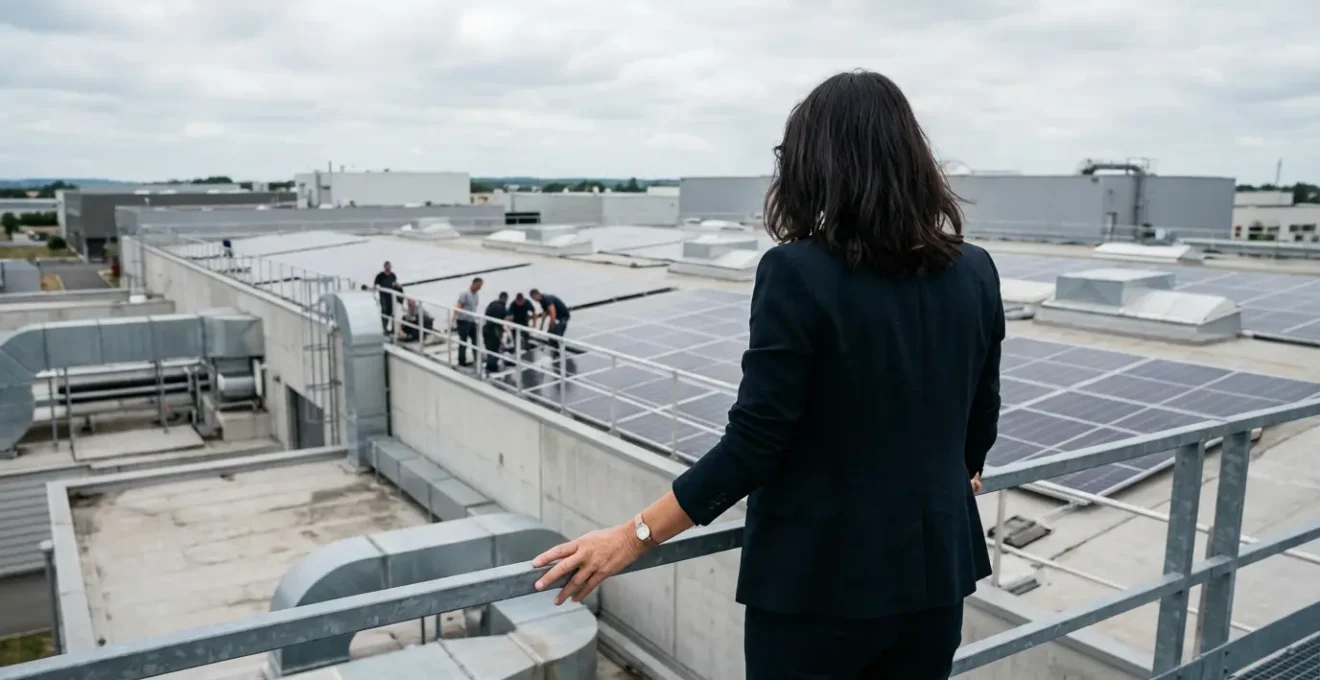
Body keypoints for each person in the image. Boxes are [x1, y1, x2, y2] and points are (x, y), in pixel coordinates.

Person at [530, 70, 1002, 680]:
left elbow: (756, 443)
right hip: (935, 577)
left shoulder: (796, 272)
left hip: (818, 590)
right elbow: (979, 417)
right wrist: (952, 473)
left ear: (813, 165)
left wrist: (635, 534)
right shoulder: (976, 270)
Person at [452, 277, 483, 367]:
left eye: (480, 286)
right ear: (473, 284)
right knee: (463, 341)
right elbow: (458, 305)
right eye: (478, 286)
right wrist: (454, 317)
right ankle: (462, 361)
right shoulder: (465, 294)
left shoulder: (476, 294)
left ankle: (477, 359)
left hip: (472, 320)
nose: (479, 288)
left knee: (475, 340)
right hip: (463, 321)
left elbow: (474, 306)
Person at [482, 292, 511, 374]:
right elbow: (507, 320)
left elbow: (486, 314)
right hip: (495, 330)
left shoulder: (492, 304)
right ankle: (492, 367)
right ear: (505, 299)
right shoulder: (503, 308)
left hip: (486, 328)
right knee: (495, 349)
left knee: (489, 349)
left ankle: (489, 365)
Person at [373, 261, 400, 333]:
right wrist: (377, 286)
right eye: (387, 266)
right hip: (383, 295)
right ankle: (384, 327)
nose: (388, 267)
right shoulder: (380, 275)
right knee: (384, 310)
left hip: (391, 296)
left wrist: (397, 285)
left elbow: (394, 284)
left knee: (391, 311)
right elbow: (376, 284)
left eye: (389, 266)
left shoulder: (393, 275)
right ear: (384, 267)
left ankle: (392, 328)